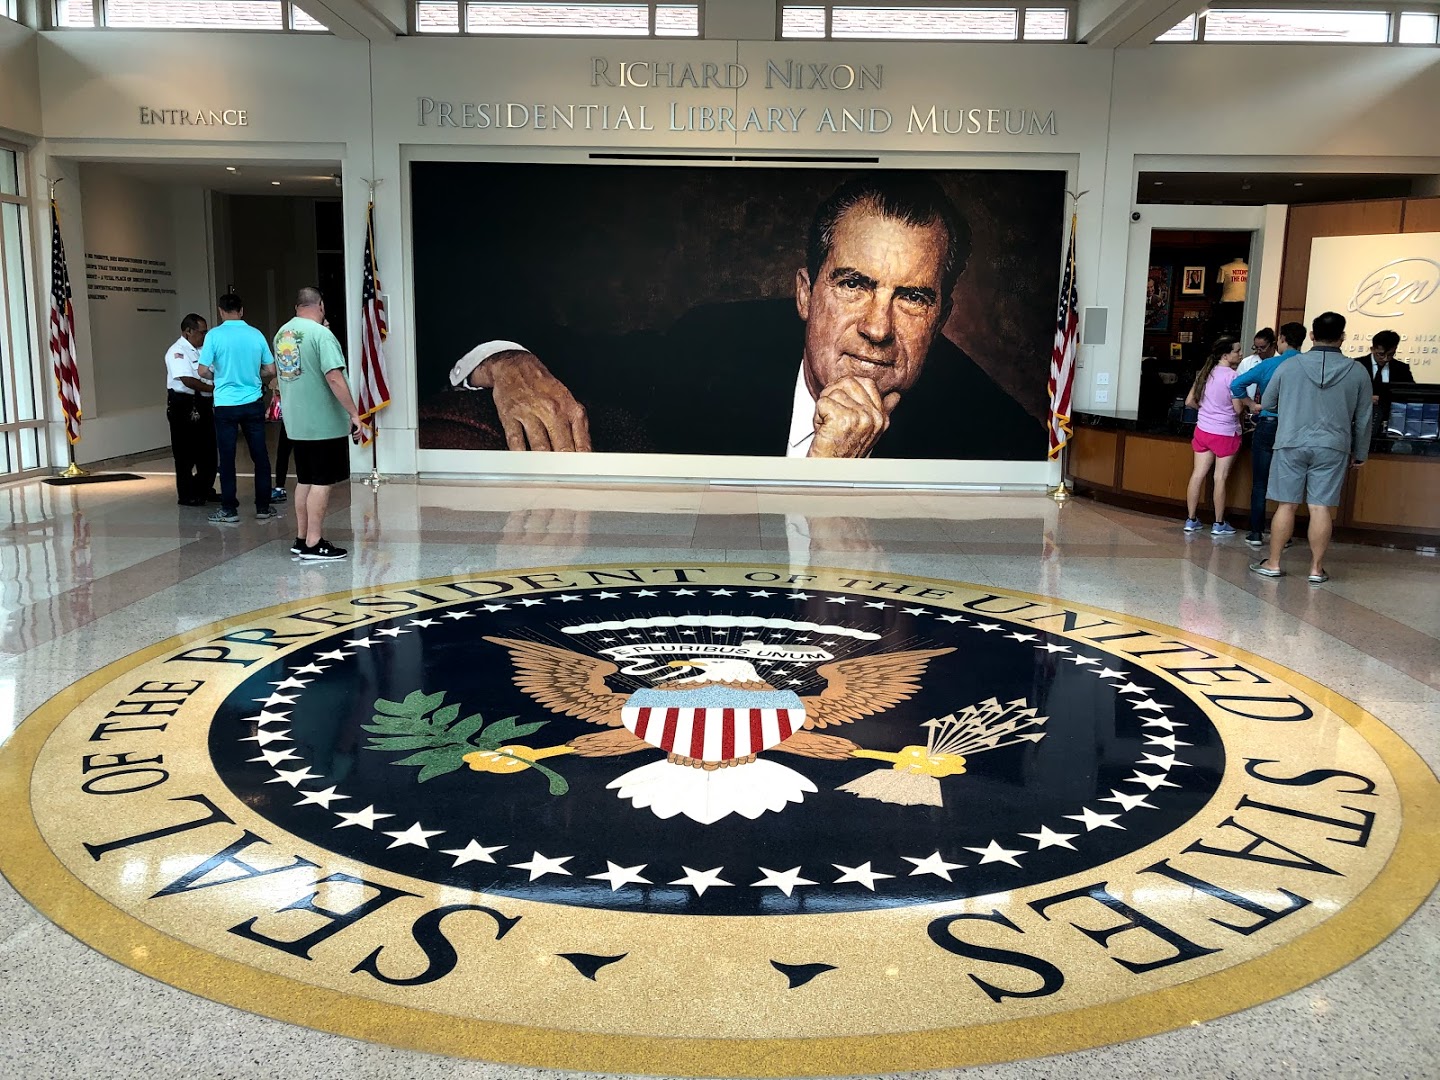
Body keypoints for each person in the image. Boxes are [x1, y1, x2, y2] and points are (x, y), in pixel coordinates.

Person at [439, 173, 1045, 461]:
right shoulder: (716, 345)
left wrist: (830, 477)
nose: (878, 327)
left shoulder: (994, 438)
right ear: (806, 294)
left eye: (911, 297)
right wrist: (507, 360)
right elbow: (582, 355)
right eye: (854, 285)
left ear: (942, 316)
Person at [1250, 311, 1372, 585]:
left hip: (1290, 441)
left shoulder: (1289, 366)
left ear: (1313, 336)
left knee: (1287, 504)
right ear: (1342, 337)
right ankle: (1316, 569)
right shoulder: (1357, 371)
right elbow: (1364, 418)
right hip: (1333, 446)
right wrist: (1361, 452)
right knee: (1320, 507)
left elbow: (1267, 402)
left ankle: (1274, 563)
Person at [273, 287, 366, 562]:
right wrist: (354, 413)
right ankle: (314, 543)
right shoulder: (321, 335)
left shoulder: (282, 334)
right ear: (321, 305)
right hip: (322, 422)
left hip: (296, 421)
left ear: (297, 306)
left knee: (305, 479)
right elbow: (334, 377)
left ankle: (301, 538)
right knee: (322, 482)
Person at [199, 293, 279, 524]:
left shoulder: (214, 336)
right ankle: (263, 506)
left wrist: (219, 377)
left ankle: (229, 509)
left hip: (225, 404)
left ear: (220, 311)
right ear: (241, 311)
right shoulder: (255, 334)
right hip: (252, 402)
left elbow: (202, 370)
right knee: (260, 456)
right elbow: (271, 369)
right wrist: (254, 374)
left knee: (227, 457)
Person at [1230, 321, 1305, 545]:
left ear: (1281, 339)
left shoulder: (1269, 364)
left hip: (1268, 423)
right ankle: (1285, 535)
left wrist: (1251, 405)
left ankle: (1256, 532)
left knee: (1260, 481)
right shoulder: (1307, 365)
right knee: (1289, 483)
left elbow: (1236, 385)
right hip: (1295, 428)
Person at [1182, 335, 1245, 536]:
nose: (1241, 354)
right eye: (1237, 351)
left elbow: (1189, 401)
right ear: (1225, 355)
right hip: (1225, 433)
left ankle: (1191, 519)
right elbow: (1237, 409)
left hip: (1203, 430)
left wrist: (1206, 409)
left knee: (1197, 474)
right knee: (1220, 478)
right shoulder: (1233, 377)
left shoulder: (1205, 372)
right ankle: (1219, 523)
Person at [164, 312, 217, 506]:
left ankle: (204, 489)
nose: (204, 336)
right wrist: (214, 389)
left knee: (208, 451)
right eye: (202, 332)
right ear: (188, 331)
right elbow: (187, 379)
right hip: (184, 405)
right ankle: (186, 494)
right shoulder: (177, 352)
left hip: (203, 404)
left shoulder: (202, 350)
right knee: (185, 453)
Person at [1356, 329, 1414, 420]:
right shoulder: (1357, 365)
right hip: (1359, 415)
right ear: (1372, 349)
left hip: (1391, 417)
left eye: (1391, 354)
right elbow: (1347, 392)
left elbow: (1409, 393)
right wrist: (1365, 399)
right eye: (1381, 354)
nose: (1386, 359)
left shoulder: (1401, 368)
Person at [1233, 328, 1276, 402]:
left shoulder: (1281, 363)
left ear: (1273, 345)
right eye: (1256, 347)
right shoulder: (1246, 362)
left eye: (1262, 348)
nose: (1258, 351)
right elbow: (1237, 385)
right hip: (1248, 404)